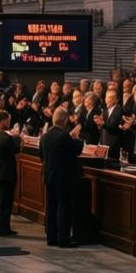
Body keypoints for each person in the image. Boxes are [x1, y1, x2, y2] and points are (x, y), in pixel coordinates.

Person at [40, 106, 83, 247]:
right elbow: (76, 149)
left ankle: (51, 238)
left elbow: (42, 156)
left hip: (49, 176)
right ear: (64, 120)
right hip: (63, 178)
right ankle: (63, 239)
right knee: (63, 207)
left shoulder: (45, 136)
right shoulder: (64, 136)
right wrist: (76, 138)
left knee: (51, 207)